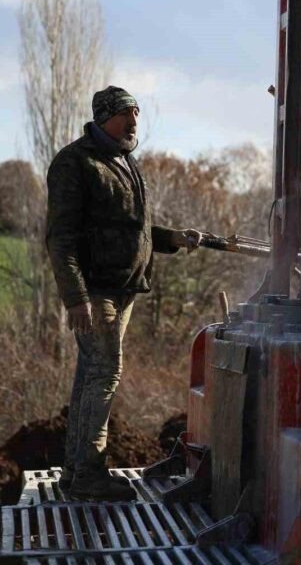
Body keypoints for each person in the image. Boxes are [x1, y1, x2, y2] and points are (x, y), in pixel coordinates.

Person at [46, 86, 201, 501]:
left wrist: (173, 239)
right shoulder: (75, 163)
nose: (135, 122)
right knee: (103, 374)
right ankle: (89, 476)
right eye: (126, 115)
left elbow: (133, 227)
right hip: (96, 292)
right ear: (104, 118)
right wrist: (75, 297)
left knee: (91, 376)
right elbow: (60, 238)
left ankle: (76, 473)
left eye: (136, 113)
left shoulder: (124, 162)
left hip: (122, 288)